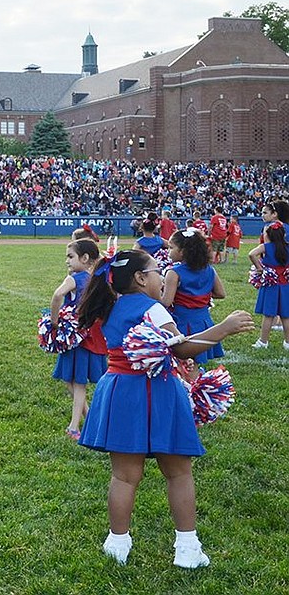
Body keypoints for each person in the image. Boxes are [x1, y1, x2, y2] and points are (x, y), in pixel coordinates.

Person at [77, 248, 254, 568]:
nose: (163, 276)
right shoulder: (153, 308)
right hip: (156, 392)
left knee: (124, 477)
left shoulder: (113, 307)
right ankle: (187, 547)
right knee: (179, 472)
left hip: (119, 390)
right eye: (157, 270)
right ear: (141, 278)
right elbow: (182, 346)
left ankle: (117, 544)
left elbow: (154, 351)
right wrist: (224, 327)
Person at [48, 238, 106, 440]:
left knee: (78, 382)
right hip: (92, 333)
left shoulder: (76, 279)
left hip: (77, 335)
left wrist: (54, 322)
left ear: (85, 258)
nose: (67, 261)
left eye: (70, 257)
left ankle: (74, 427)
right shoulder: (98, 278)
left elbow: (57, 296)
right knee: (69, 379)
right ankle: (90, 417)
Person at [161, 229, 225, 366]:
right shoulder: (209, 269)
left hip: (183, 323)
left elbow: (166, 301)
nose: (168, 251)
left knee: (183, 363)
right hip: (204, 322)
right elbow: (220, 293)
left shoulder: (173, 272)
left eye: (171, 248)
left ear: (183, 252)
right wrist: (200, 295)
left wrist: (152, 293)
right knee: (195, 364)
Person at [248, 220, 289, 350]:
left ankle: (263, 341)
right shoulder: (287, 246)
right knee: (286, 315)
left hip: (271, 284)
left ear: (268, 235)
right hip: (286, 285)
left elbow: (251, 254)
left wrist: (259, 268)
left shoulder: (266, 247)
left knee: (268, 315)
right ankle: (288, 342)